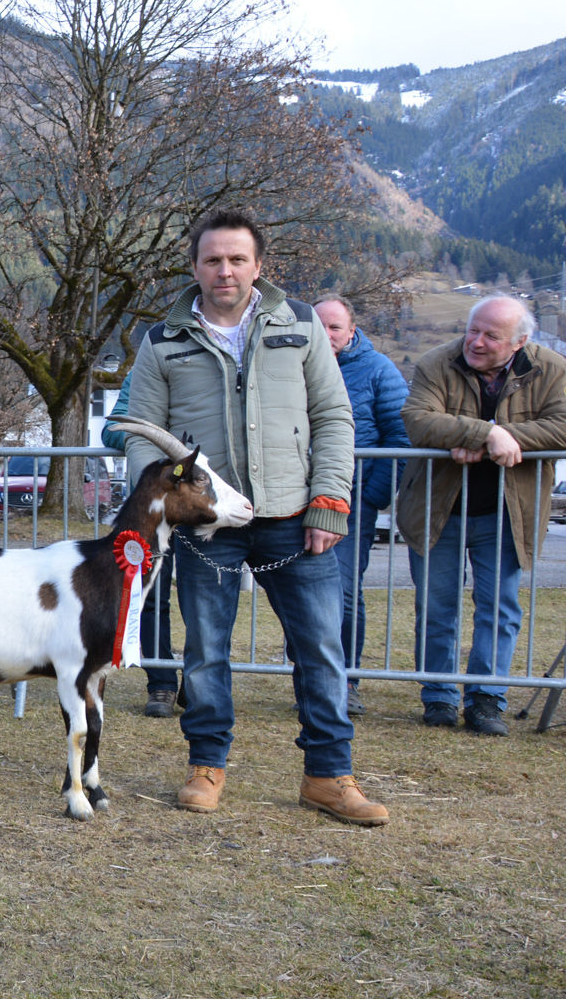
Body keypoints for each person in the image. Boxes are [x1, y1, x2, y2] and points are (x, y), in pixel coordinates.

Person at [126, 208, 387, 826]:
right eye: (212, 259)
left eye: (237, 259)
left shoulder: (299, 324)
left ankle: (329, 776)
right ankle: (206, 767)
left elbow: (334, 417)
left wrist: (330, 499)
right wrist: (169, 500)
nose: (225, 270)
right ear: (194, 266)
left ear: (258, 266)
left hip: (295, 519)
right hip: (206, 529)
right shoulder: (162, 340)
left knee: (321, 650)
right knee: (206, 652)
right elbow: (136, 431)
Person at [397, 295, 566, 735]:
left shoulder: (552, 368)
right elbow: (417, 420)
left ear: (520, 342)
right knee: (437, 607)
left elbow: (564, 423)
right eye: (473, 329)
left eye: (491, 335)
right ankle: (439, 696)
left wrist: (507, 436)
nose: (476, 341)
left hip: (508, 515)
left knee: (500, 608)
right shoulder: (438, 361)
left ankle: (486, 699)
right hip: (438, 509)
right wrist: (486, 432)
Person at [314, 296, 409, 717]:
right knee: (303, 593)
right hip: (294, 499)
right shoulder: (291, 364)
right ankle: (312, 676)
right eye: (319, 326)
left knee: (345, 592)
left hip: (352, 502)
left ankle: (346, 680)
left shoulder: (379, 371)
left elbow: (401, 438)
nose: (327, 334)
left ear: (352, 331)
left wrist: (372, 497)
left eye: (336, 327)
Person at [102, 371, 183, 719]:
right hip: (154, 510)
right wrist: (166, 448)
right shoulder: (142, 372)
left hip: (200, 502)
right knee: (150, 598)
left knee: (203, 599)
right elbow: (112, 429)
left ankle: (199, 681)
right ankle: (161, 685)